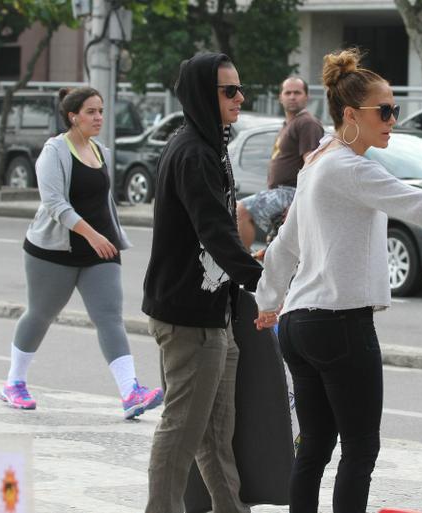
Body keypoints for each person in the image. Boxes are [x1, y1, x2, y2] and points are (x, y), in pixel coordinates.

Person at [253, 48, 422, 513]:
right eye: (385, 111)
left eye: (395, 109)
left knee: (313, 445)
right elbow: (418, 203)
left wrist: (267, 301)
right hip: (339, 324)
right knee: (360, 449)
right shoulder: (351, 167)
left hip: (298, 324)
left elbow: (284, 245)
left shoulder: (317, 163)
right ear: (351, 114)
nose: (393, 119)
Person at [142, 53, 264, 513]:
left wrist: (251, 265)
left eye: (239, 88)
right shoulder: (193, 151)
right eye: (229, 90)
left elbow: (221, 231)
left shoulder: (209, 146)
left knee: (215, 435)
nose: (240, 98)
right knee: (181, 432)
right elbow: (214, 234)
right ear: (201, 94)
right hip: (188, 317)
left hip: (214, 312)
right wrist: (265, 282)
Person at [0, 87, 163, 420]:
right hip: (54, 250)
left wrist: (110, 237)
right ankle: (14, 382)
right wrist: (91, 234)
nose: (99, 117)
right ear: (73, 116)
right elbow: (55, 203)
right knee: (41, 314)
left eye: (101, 111)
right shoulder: (54, 151)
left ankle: (130, 392)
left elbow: (102, 200)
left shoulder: (100, 150)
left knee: (110, 318)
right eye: (91, 111)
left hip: (101, 250)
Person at [236, 76, 324, 250]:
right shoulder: (288, 124)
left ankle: (240, 269)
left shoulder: (307, 123)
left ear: (306, 97)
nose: (292, 96)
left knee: (240, 211)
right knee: (277, 253)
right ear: (280, 97)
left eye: (297, 93)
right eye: (288, 92)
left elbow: (314, 165)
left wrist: (299, 201)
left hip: (292, 193)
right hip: (280, 192)